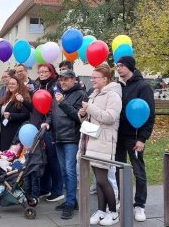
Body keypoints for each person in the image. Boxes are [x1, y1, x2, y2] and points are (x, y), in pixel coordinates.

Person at [78, 64, 122, 226]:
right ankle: (102, 211)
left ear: (105, 79)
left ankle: (114, 212)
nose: (92, 80)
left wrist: (90, 108)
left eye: (95, 77)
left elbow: (110, 117)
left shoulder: (113, 95)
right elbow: (90, 118)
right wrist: (82, 113)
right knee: (98, 180)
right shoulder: (95, 94)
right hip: (92, 140)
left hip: (104, 141)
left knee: (103, 180)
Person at [115, 56, 155, 222]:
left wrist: (142, 138)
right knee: (118, 169)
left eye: (121, 66)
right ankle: (121, 199)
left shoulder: (143, 87)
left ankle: (140, 205)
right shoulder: (118, 87)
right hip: (118, 136)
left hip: (135, 137)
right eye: (117, 65)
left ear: (130, 67)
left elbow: (149, 114)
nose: (118, 68)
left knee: (138, 171)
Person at [22, 63, 64, 202]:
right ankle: (45, 188)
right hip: (37, 127)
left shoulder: (55, 86)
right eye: (40, 71)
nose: (42, 73)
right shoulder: (37, 86)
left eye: (45, 71)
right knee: (41, 159)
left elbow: (53, 109)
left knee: (53, 160)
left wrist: (48, 123)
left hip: (50, 128)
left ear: (51, 72)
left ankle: (57, 190)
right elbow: (35, 107)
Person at [52, 69, 86, 219]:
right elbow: (52, 114)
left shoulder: (80, 94)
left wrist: (62, 103)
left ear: (74, 80)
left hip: (71, 138)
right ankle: (70, 199)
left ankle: (70, 204)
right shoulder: (60, 94)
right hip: (58, 137)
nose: (63, 82)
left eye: (66, 79)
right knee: (64, 171)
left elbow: (78, 116)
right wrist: (47, 123)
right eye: (61, 80)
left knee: (70, 171)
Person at [0, 76, 30, 151]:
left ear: (18, 85)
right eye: (9, 84)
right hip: (2, 131)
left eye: (13, 84)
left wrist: (11, 116)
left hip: (13, 132)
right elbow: (1, 112)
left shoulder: (22, 97)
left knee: (10, 155)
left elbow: (26, 115)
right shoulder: (7, 97)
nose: (10, 85)